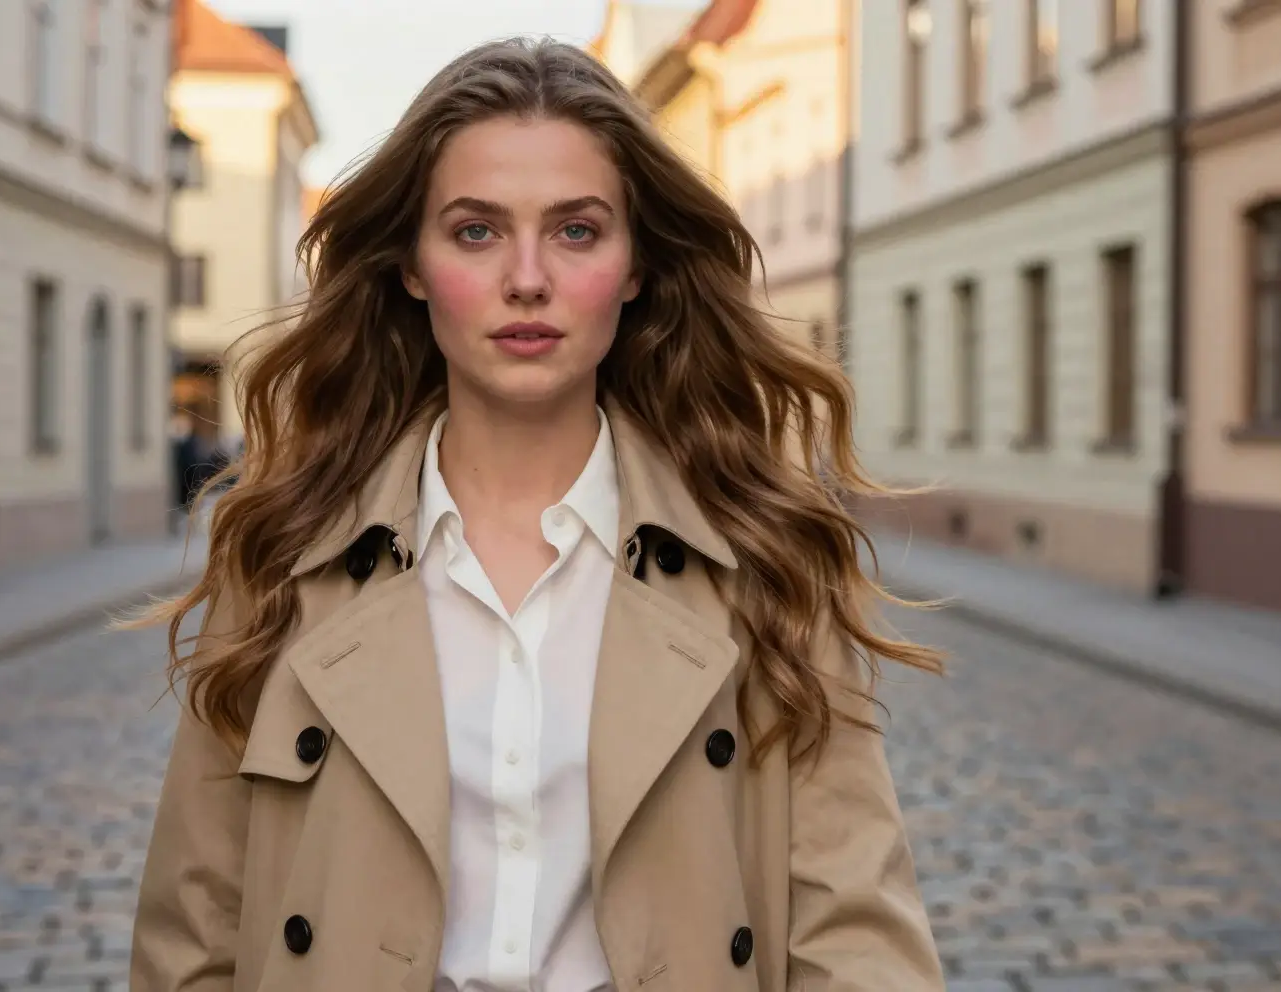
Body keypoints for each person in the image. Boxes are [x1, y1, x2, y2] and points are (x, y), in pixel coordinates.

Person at [126, 37, 946, 992]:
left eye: (577, 230)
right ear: (411, 266)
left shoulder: (762, 562)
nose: (526, 277)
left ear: (636, 265)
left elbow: (858, 936)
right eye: (475, 230)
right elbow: (194, 932)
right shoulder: (285, 559)